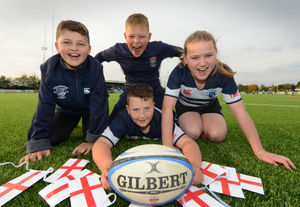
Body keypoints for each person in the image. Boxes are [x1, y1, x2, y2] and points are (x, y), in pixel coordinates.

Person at [162, 30, 296, 170]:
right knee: (192, 131)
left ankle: (206, 124)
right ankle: (197, 125)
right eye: (195, 57)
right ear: (185, 59)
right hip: (186, 106)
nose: (202, 63)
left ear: (216, 54)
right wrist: (167, 147)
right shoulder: (179, 72)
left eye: (208, 55)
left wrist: (259, 151)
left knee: (217, 135)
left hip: (209, 106)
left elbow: (240, 113)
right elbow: (167, 109)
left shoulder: (223, 74)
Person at [19, 20, 109, 163]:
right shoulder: (48, 69)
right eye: (67, 42)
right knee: (52, 137)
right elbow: (44, 106)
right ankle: (71, 123)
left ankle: (88, 128)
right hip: (66, 110)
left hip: (89, 111)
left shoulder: (95, 68)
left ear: (89, 49)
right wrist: (38, 142)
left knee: (98, 137)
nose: (74, 48)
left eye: (80, 44)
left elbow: (99, 106)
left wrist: (93, 139)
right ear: (57, 46)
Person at [92, 83, 203, 190]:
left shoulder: (162, 119)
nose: (142, 115)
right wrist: (106, 166)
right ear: (128, 109)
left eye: (147, 108)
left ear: (153, 106)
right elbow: (102, 143)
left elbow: (187, 143)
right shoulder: (122, 119)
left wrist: (194, 164)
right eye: (136, 110)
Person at [95, 13, 182, 122]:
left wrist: (185, 60)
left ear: (149, 37)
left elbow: (179, 51)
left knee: (172, 122)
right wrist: (92, 74)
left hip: (154, 90)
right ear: (125, 36)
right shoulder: (118, 50)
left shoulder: (158, 48)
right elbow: (99, 57)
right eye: (131, 36)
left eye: (141, 36)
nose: (136, 41)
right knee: (112, 122)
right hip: (130, 91)